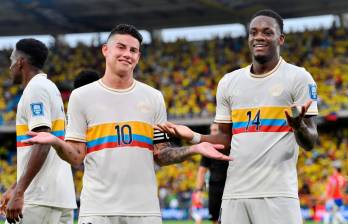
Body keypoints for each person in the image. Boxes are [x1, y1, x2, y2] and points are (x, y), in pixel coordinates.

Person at [22, 24, 231, 224]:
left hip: (144, 211)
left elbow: (162, 154)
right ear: (105, 50)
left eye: (133, 50)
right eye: (120, 47)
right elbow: (76, 156)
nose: (127, 54)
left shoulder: (153, 97)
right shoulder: (81, 97)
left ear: (138, 56)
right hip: (98, 210)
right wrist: (56, 143)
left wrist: (194, 148)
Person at [156, 9, 318, 224]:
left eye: (267, 32)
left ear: (280, 39)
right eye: (254, 32)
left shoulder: (299, 77)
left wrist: (299, 127)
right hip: (235, 193)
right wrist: (194, 136)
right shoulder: (229, 82)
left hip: (277, 194)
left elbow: (311, 141)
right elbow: (226, 139)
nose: (259, 36)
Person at [0, 38, 76, 223]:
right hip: (55, 195)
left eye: (11, 61)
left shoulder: (36, 89)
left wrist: (20, 192)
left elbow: (43, 144)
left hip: (40, 198)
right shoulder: (48, 87)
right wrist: (15, 187)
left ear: (20, 62)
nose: (10, 67)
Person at [194, 123, 228, 224]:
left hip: (229, 187)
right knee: (214, 219)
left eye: (215, 130)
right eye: (211, 130)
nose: (212, 133)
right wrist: (198, 190)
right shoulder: (208, 149)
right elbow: (202, 171)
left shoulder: (231, 146)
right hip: (214, 188)